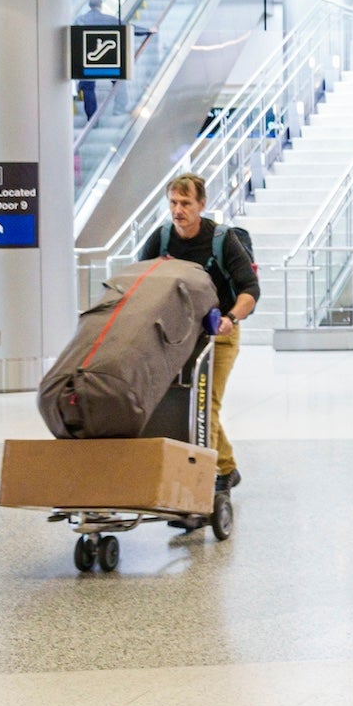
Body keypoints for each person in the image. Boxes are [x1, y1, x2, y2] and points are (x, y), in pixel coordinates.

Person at [136, 173, 258, 494]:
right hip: (177, 336)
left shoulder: (222, 240)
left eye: (186, 203)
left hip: (219, 336)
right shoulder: (160, 239)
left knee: (205, 404)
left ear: (201, 205)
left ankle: (198, 487)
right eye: (173, 203)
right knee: (186, 405)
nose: (178, 210)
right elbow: (139, 283)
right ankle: (227, 467)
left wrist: (231, 318)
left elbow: (250, 289)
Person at [74, 0, 155, 122]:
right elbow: (130, 28)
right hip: (108, 58)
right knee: (118, 80)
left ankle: (92, 118)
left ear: (89, 6)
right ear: (100, 6)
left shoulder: (80, 20)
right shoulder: (108, 19)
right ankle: (119, 109)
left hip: (87, 60)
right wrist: (147, 31)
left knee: (88, 86)